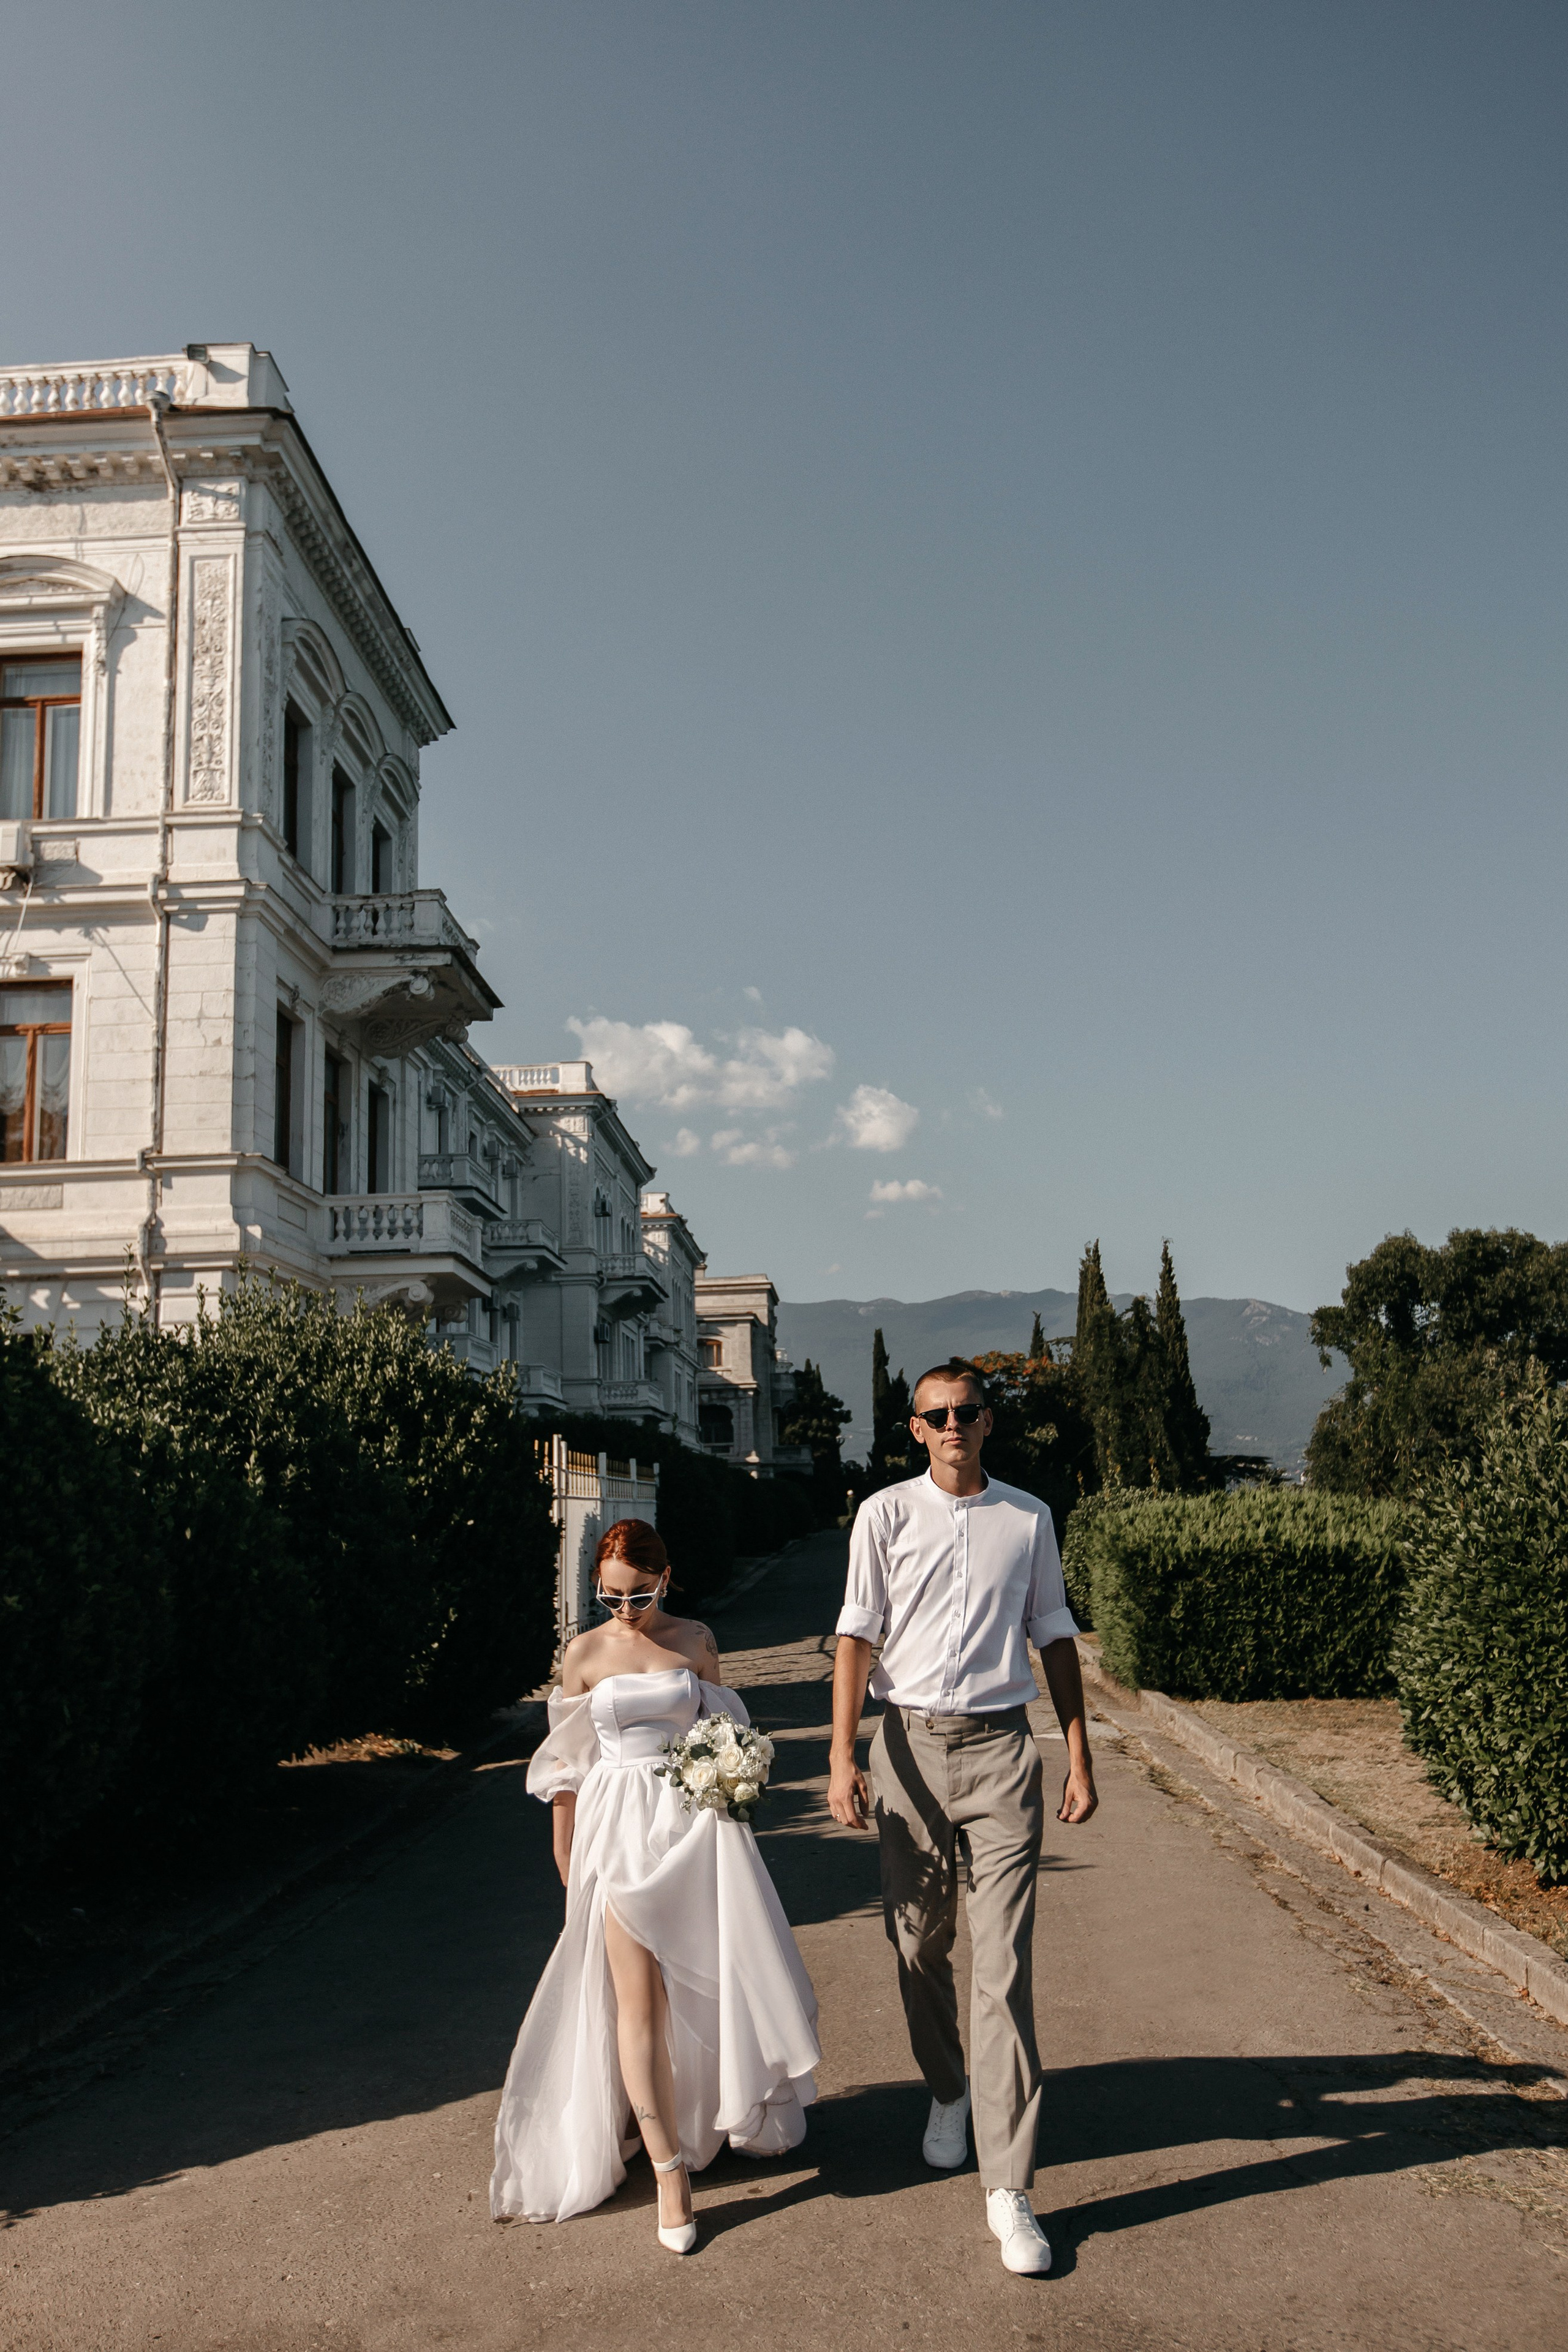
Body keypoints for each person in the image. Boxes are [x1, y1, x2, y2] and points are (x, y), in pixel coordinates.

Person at [827, 1358, 1098, 2276]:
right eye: (936, 1414)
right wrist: (840, 1756)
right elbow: (858, 1634)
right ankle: (949, 2089)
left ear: (989, 1424)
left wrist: (1078, 1753)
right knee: (916, 1945)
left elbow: (1054, 1631)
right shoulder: (884, 1515)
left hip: (1000, 1751)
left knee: (1006, 1964)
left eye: (967, 1412)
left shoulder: (1028, 1518)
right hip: (905, 1748)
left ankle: (1008, 2182)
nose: (952, 1426)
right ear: (915, 1427)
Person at [491, 1518, 821, 2250]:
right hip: (613, 1831)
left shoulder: (696, 1642)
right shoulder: (581, 1656)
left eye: (638, 1596)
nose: (625, 1612)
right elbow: (567, 1770)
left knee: (704, 1982)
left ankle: (708, 2114)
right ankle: (670, 2172)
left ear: (664, 1580)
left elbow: (726, 1736)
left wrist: (733, 1784)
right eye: (609, 1598)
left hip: (692, 1832)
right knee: (634, 2004)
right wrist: (567, 1859)